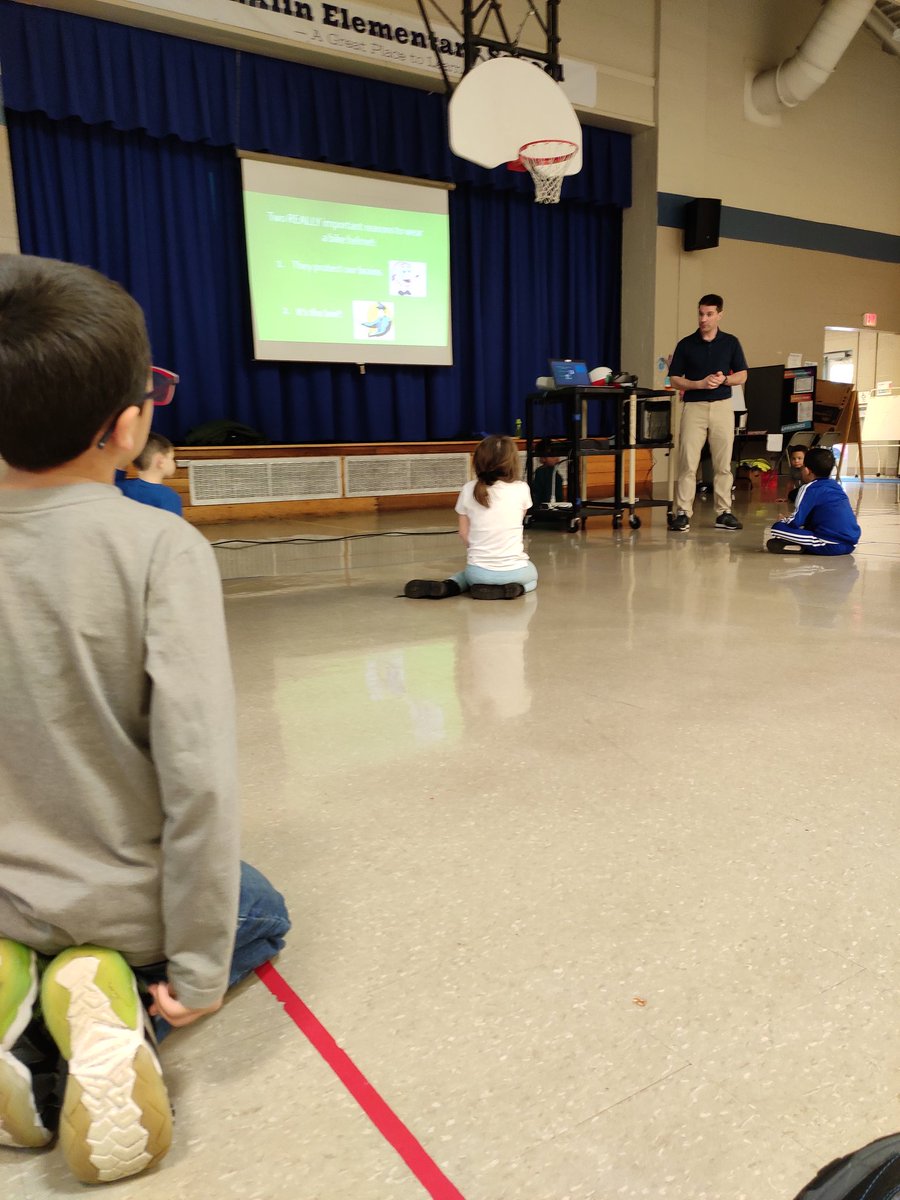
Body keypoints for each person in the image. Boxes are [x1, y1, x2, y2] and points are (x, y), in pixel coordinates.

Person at [0, 255, 290, 1184]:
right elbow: (196, 776)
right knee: (260, 909)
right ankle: (103, 1013)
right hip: (120, 907)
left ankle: (19, 990)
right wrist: (199, 974)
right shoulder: (161, 547)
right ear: (128, 425)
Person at [404, 435, 537, 600]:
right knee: (532, 576)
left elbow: (463, 533)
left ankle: (449, 586)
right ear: (513, 462)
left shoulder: (468, 489)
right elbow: (517, 520)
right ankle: (515, 589)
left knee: (467, 575)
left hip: (477, 573)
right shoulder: (521, 488)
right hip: (513, 571)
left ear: (478, 461)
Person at [668, 294, 748, 533]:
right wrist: (699, 384)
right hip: (694, 407)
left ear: (719, 314)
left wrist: (725, 379)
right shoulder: (686, 344)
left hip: (723, 406)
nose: (704, 319)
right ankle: (682, 512)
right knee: (688, 462)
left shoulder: (731, 342)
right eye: (701, 314)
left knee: (723, 464)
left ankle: (724, 512)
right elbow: (674, 379)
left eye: (709, 314)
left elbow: (743, 375)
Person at [765, 446, 860, 555]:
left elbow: (796, 522)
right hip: (851, 544)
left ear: (807, 470)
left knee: (777, 528)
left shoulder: (809, 488)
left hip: (830, 544)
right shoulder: (835, 485)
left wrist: (783, 520)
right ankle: (800, 543)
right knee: (809, 524)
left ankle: (802, 545)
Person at [117, 430, 183, 515]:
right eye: (171, 458)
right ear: (161, 462)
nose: (174, 462)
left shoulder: (120, 487)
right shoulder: (170, 497)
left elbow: (113, 477)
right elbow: (173, 527)